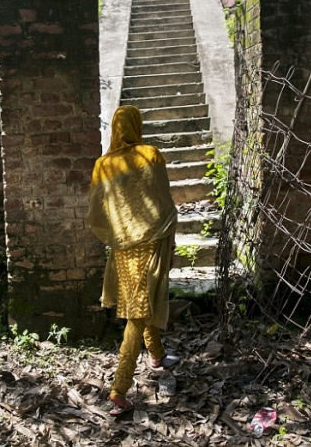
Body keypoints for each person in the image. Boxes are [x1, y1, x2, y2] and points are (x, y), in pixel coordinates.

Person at [86, 105, 180, 415]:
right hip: (152, 241)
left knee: (142, 302)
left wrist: (118, 234)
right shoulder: (150, 154)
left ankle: (156, 356)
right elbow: (163, 200)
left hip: (124, 247)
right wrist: (169, 236)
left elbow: (97, 214)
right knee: (138, 312)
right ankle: (119, 389)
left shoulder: (102, 165)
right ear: (137, 126)